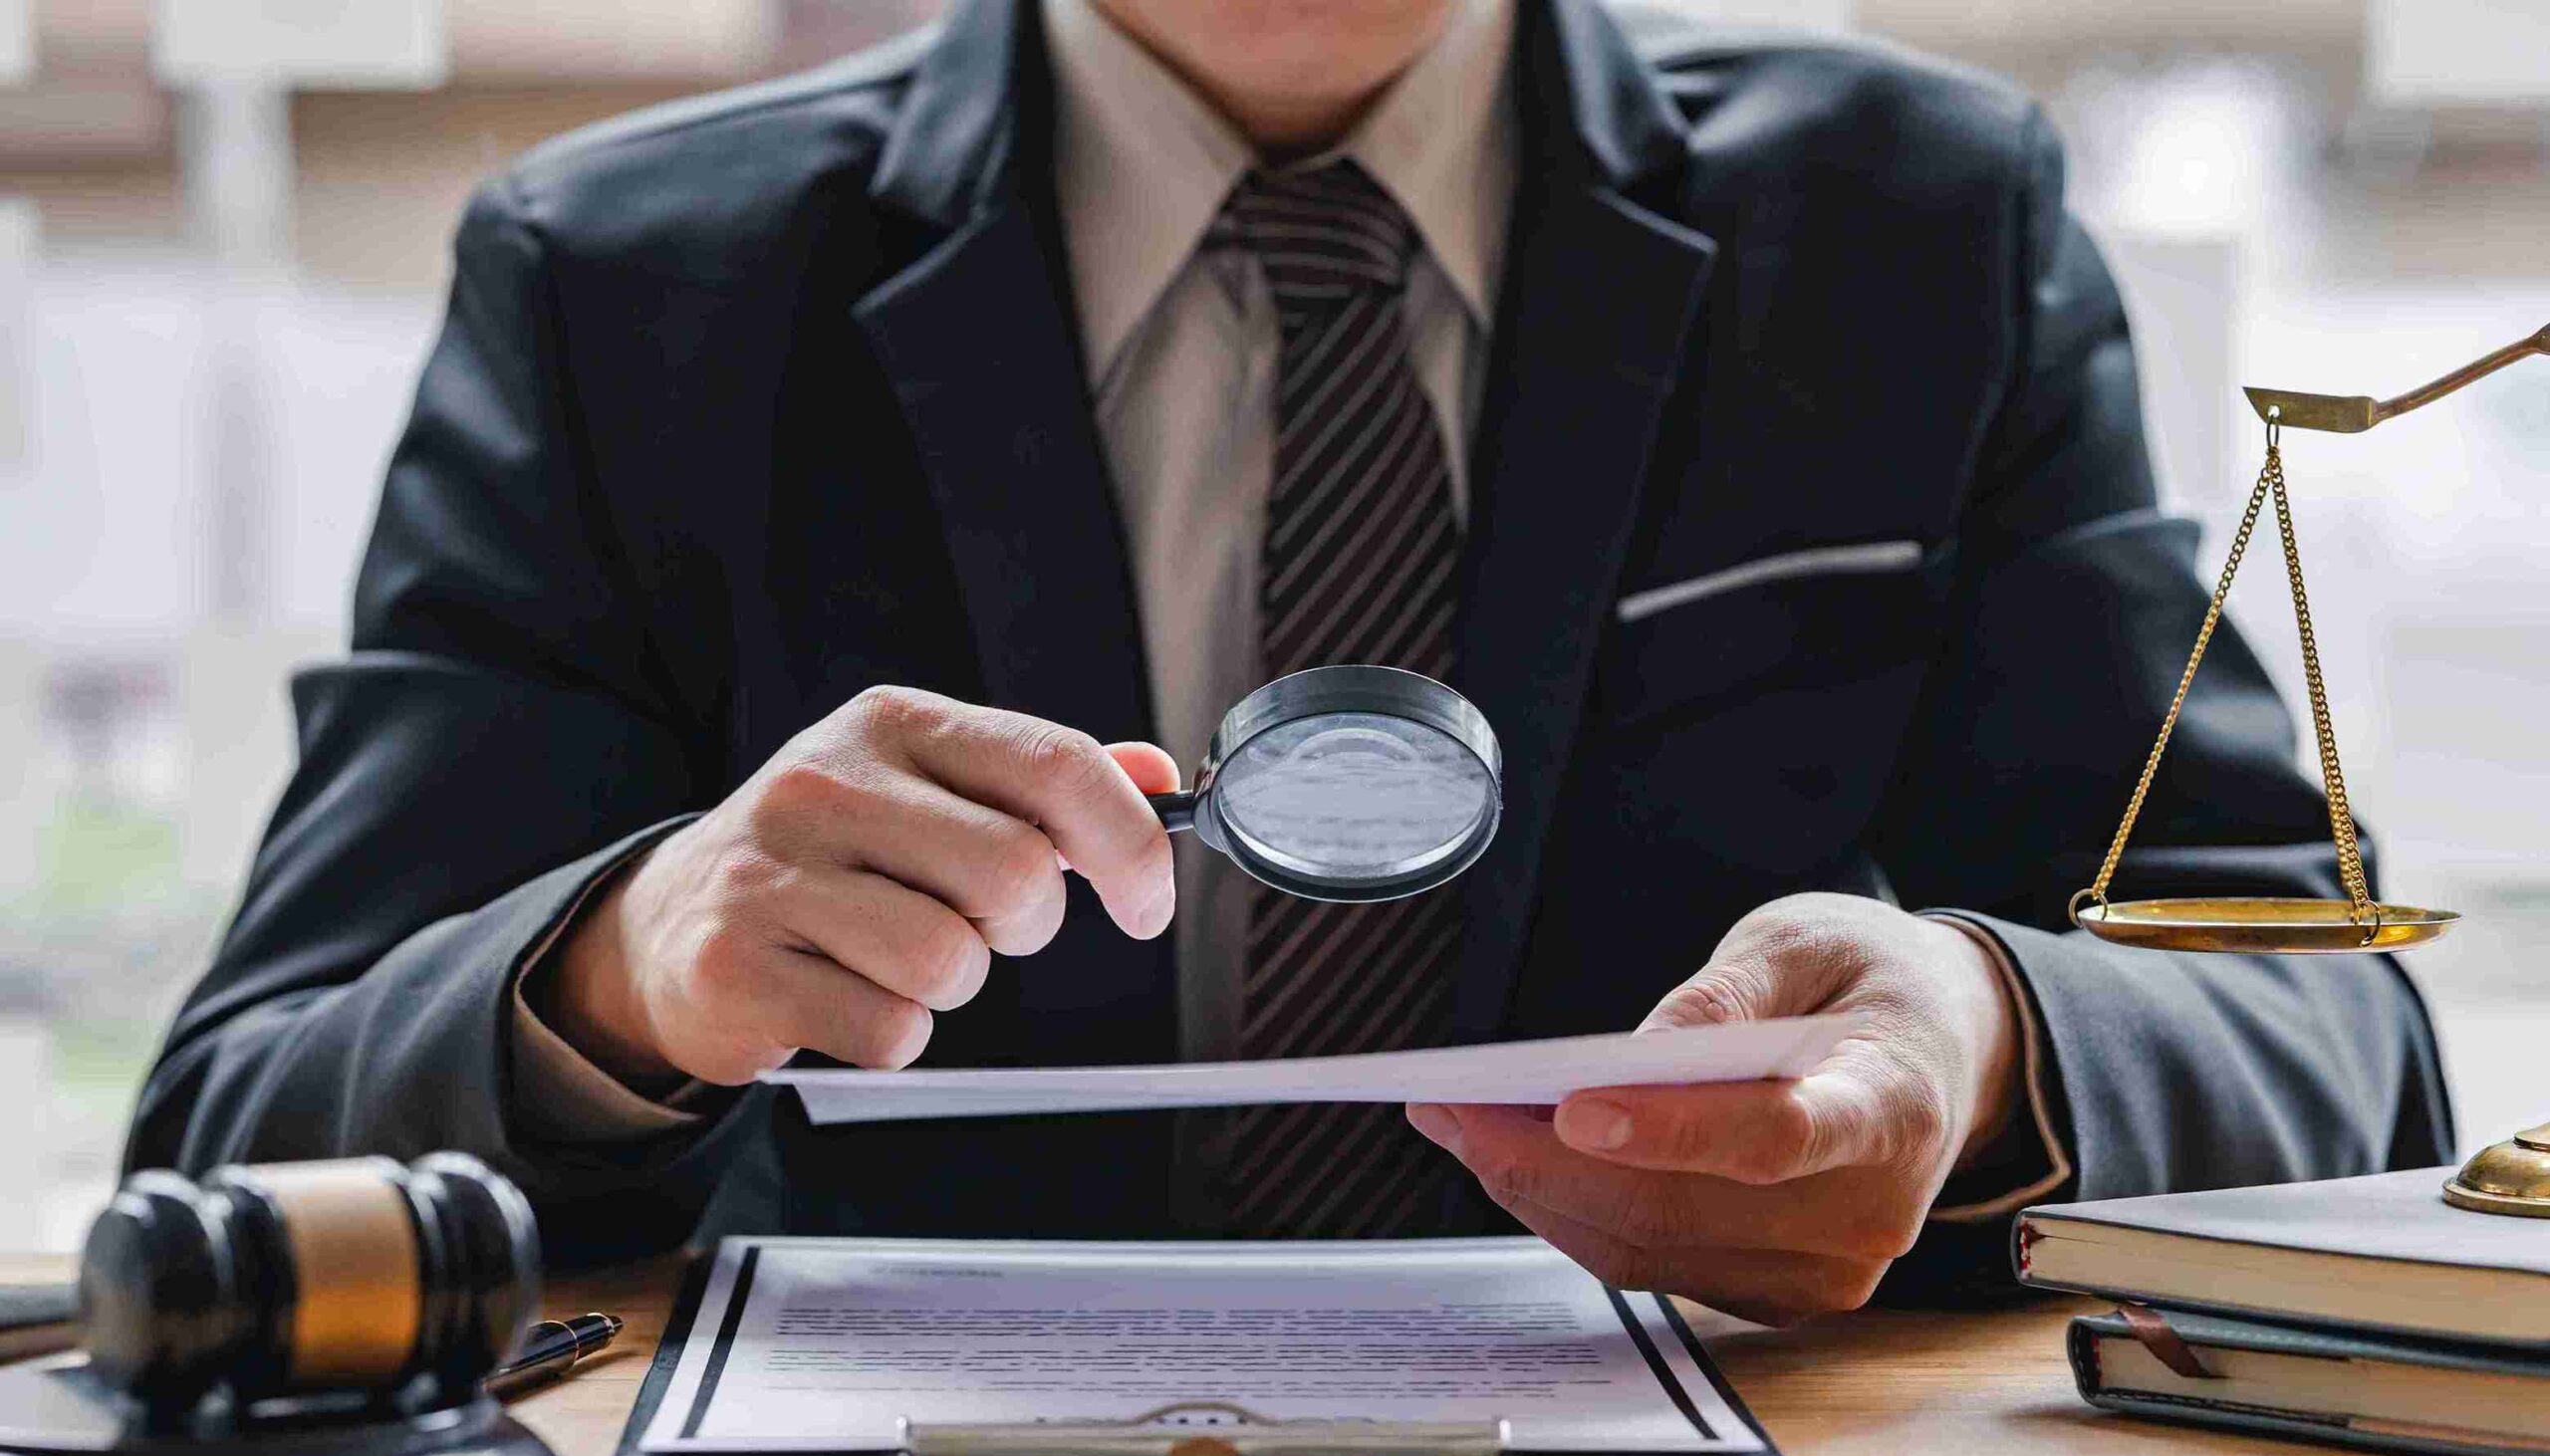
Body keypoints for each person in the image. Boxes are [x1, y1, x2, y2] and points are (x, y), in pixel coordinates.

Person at [127, 0, 2451, 1317]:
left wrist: (1990, 1036)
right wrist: (612, 977)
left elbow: (2336, 1020)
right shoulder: (623, 282)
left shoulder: (1914, 228)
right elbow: (237, 1136)